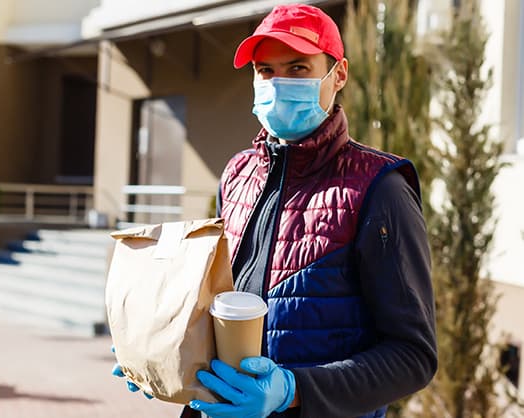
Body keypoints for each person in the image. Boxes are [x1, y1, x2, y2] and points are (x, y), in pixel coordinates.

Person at [115, 4, 437, 418]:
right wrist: (157, 346)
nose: (278, 83)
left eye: (298, 68)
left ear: (338, 75)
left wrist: (292, 390)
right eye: (265, 70)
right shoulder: (237, 174)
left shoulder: (379, 187)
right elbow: (217, 302)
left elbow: (413, 356)